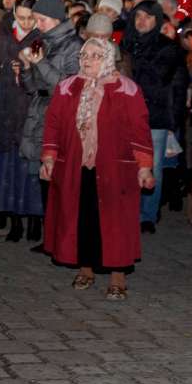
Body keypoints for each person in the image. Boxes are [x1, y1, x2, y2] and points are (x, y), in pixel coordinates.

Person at [40, 37, 154, 300]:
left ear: (108, 59)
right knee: (81, 218)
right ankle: (86, 269)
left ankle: (117, 278)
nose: (87, 60)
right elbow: (53, 125)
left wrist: (144, 166)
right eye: (84, 55)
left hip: (115, 168)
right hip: (75, 167)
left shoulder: (127, 89)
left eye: (95, 55)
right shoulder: (67, 87)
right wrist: (49, 157)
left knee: (115, 223)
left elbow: (140, 131)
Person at [17, 0, 82, 249]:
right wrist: (25, 68)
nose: (37, 25)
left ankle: (66, 238)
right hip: (41, 112)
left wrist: (40, 63)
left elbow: (67, 85)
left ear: (56, 19)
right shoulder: (40, 42)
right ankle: (52, 238)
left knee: (60, 181)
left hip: (62, 115)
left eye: (41, 20)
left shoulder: (73, 46)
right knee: (46, 179)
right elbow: (33, 88)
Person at [121, 0, 188, 234]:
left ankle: (147, 214)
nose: (142, 21)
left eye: (148, 16)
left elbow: (158, 79)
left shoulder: (167, 47)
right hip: (126, 114)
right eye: (138, 16)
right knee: (128, 164)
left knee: (153, 165)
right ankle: (129, 210)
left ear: (157, 20)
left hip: (155, 115)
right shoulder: (125, 45)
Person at [0, 0, 44, 241]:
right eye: (20, 18)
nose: (25, 23)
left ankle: (35, 221)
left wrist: (27, 68)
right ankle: (14, 222)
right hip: (4, 108)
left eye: (30, 18)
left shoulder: (41, 39)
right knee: (9, 171)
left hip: (29, 111)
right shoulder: (1, 37)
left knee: (30, 170)